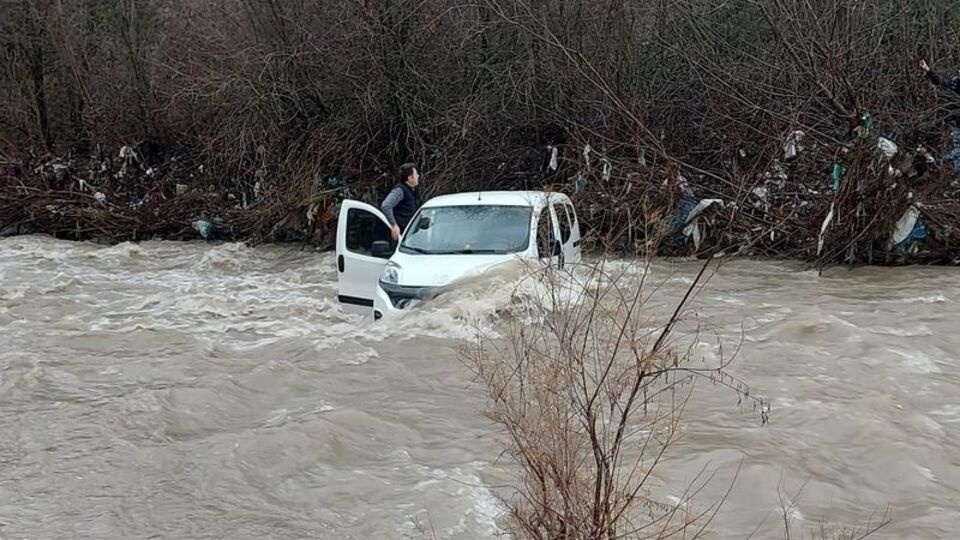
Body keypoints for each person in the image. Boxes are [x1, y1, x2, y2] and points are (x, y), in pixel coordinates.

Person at [381, 163, 420, 240]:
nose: (418, 176)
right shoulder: (400, 190)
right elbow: (386, 206)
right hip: (399, 236)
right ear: (409, 178)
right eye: (416, 174)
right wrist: (394, 225)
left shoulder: (412, 191)